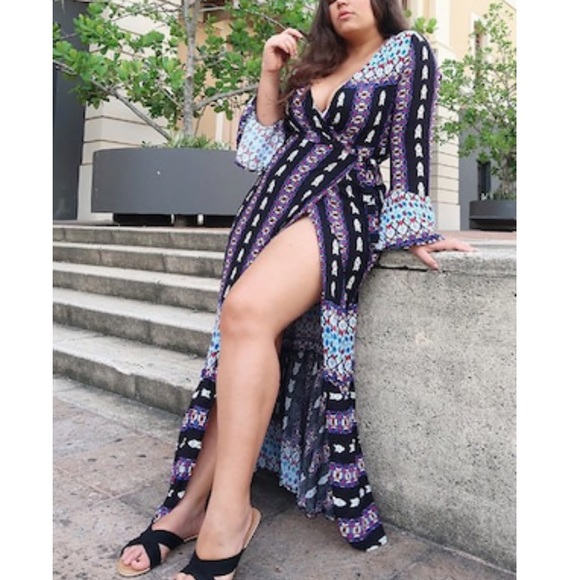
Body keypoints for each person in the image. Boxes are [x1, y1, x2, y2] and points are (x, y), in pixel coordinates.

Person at [117, 0, 474, 578]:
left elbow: (409, 144)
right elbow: (259, 152)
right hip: (270, 211)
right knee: (241, 339)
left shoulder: (407, 52)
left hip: (341, 203)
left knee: (246, 313)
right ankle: (188, 509)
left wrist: (414, 227)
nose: (341, 1)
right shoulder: (316, 65)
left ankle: (229, 515)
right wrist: (270, 74)